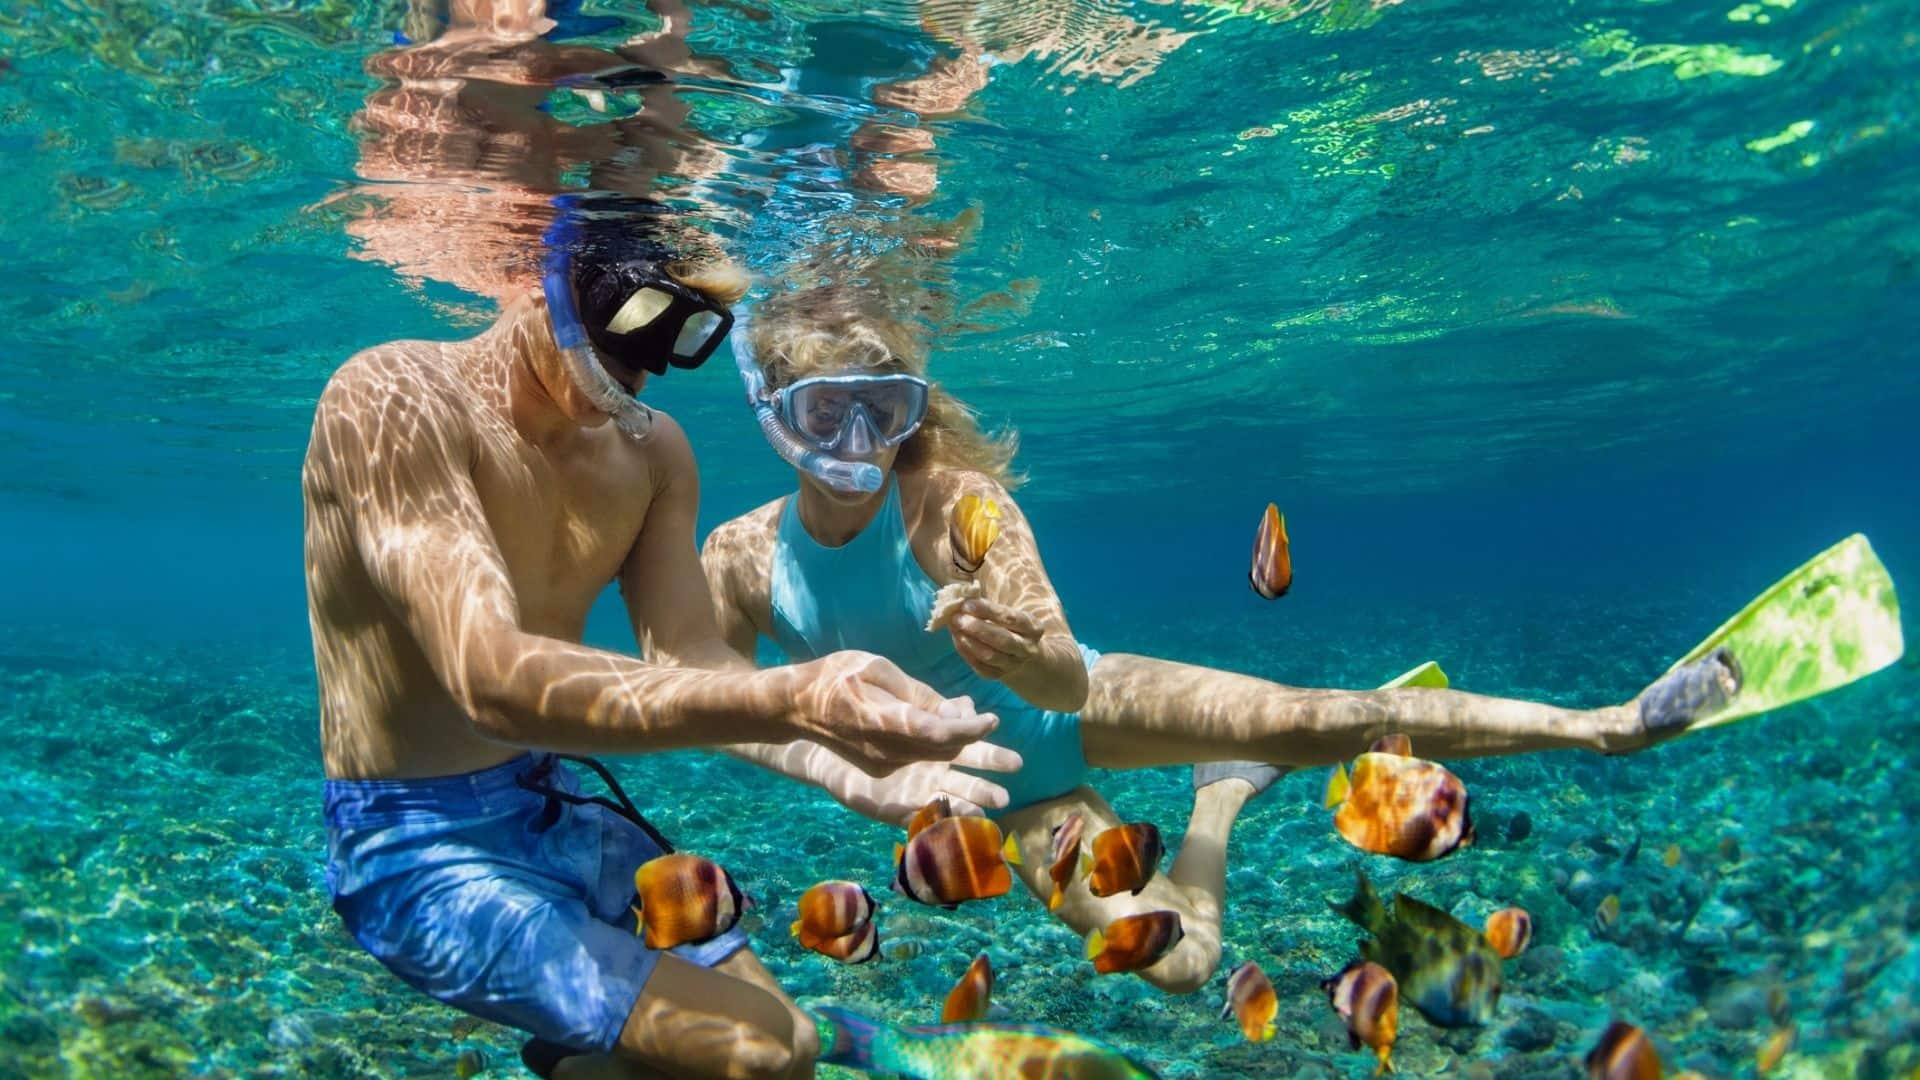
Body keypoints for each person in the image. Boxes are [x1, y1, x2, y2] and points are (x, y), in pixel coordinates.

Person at [698, 284, 1744, 995]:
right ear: (775, 416)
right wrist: (830, 755)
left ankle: (1607, 725)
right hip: (1010, 803)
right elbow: (708, 700)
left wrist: (1018, 651)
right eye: (827, 411)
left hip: (1083, 703)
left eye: (885, 411)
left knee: (1325, 718)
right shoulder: (740, 557)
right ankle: (1221, 792)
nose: (858, 444)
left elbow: (1062, 667)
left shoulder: (954, 505)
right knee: (1183, 966)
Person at [303, 210, 1020, 1080]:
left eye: (669, 346)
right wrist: (795, 700)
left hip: (554, 803)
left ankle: (577, 1054)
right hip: (416, 844)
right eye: (625, 330)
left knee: (771, 1054)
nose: (634, 376)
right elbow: (484, 673)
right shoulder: (394, 394)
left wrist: (837, 760)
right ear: (548, 280)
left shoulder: (654, 452)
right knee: (764, 1050)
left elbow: (687, 658)